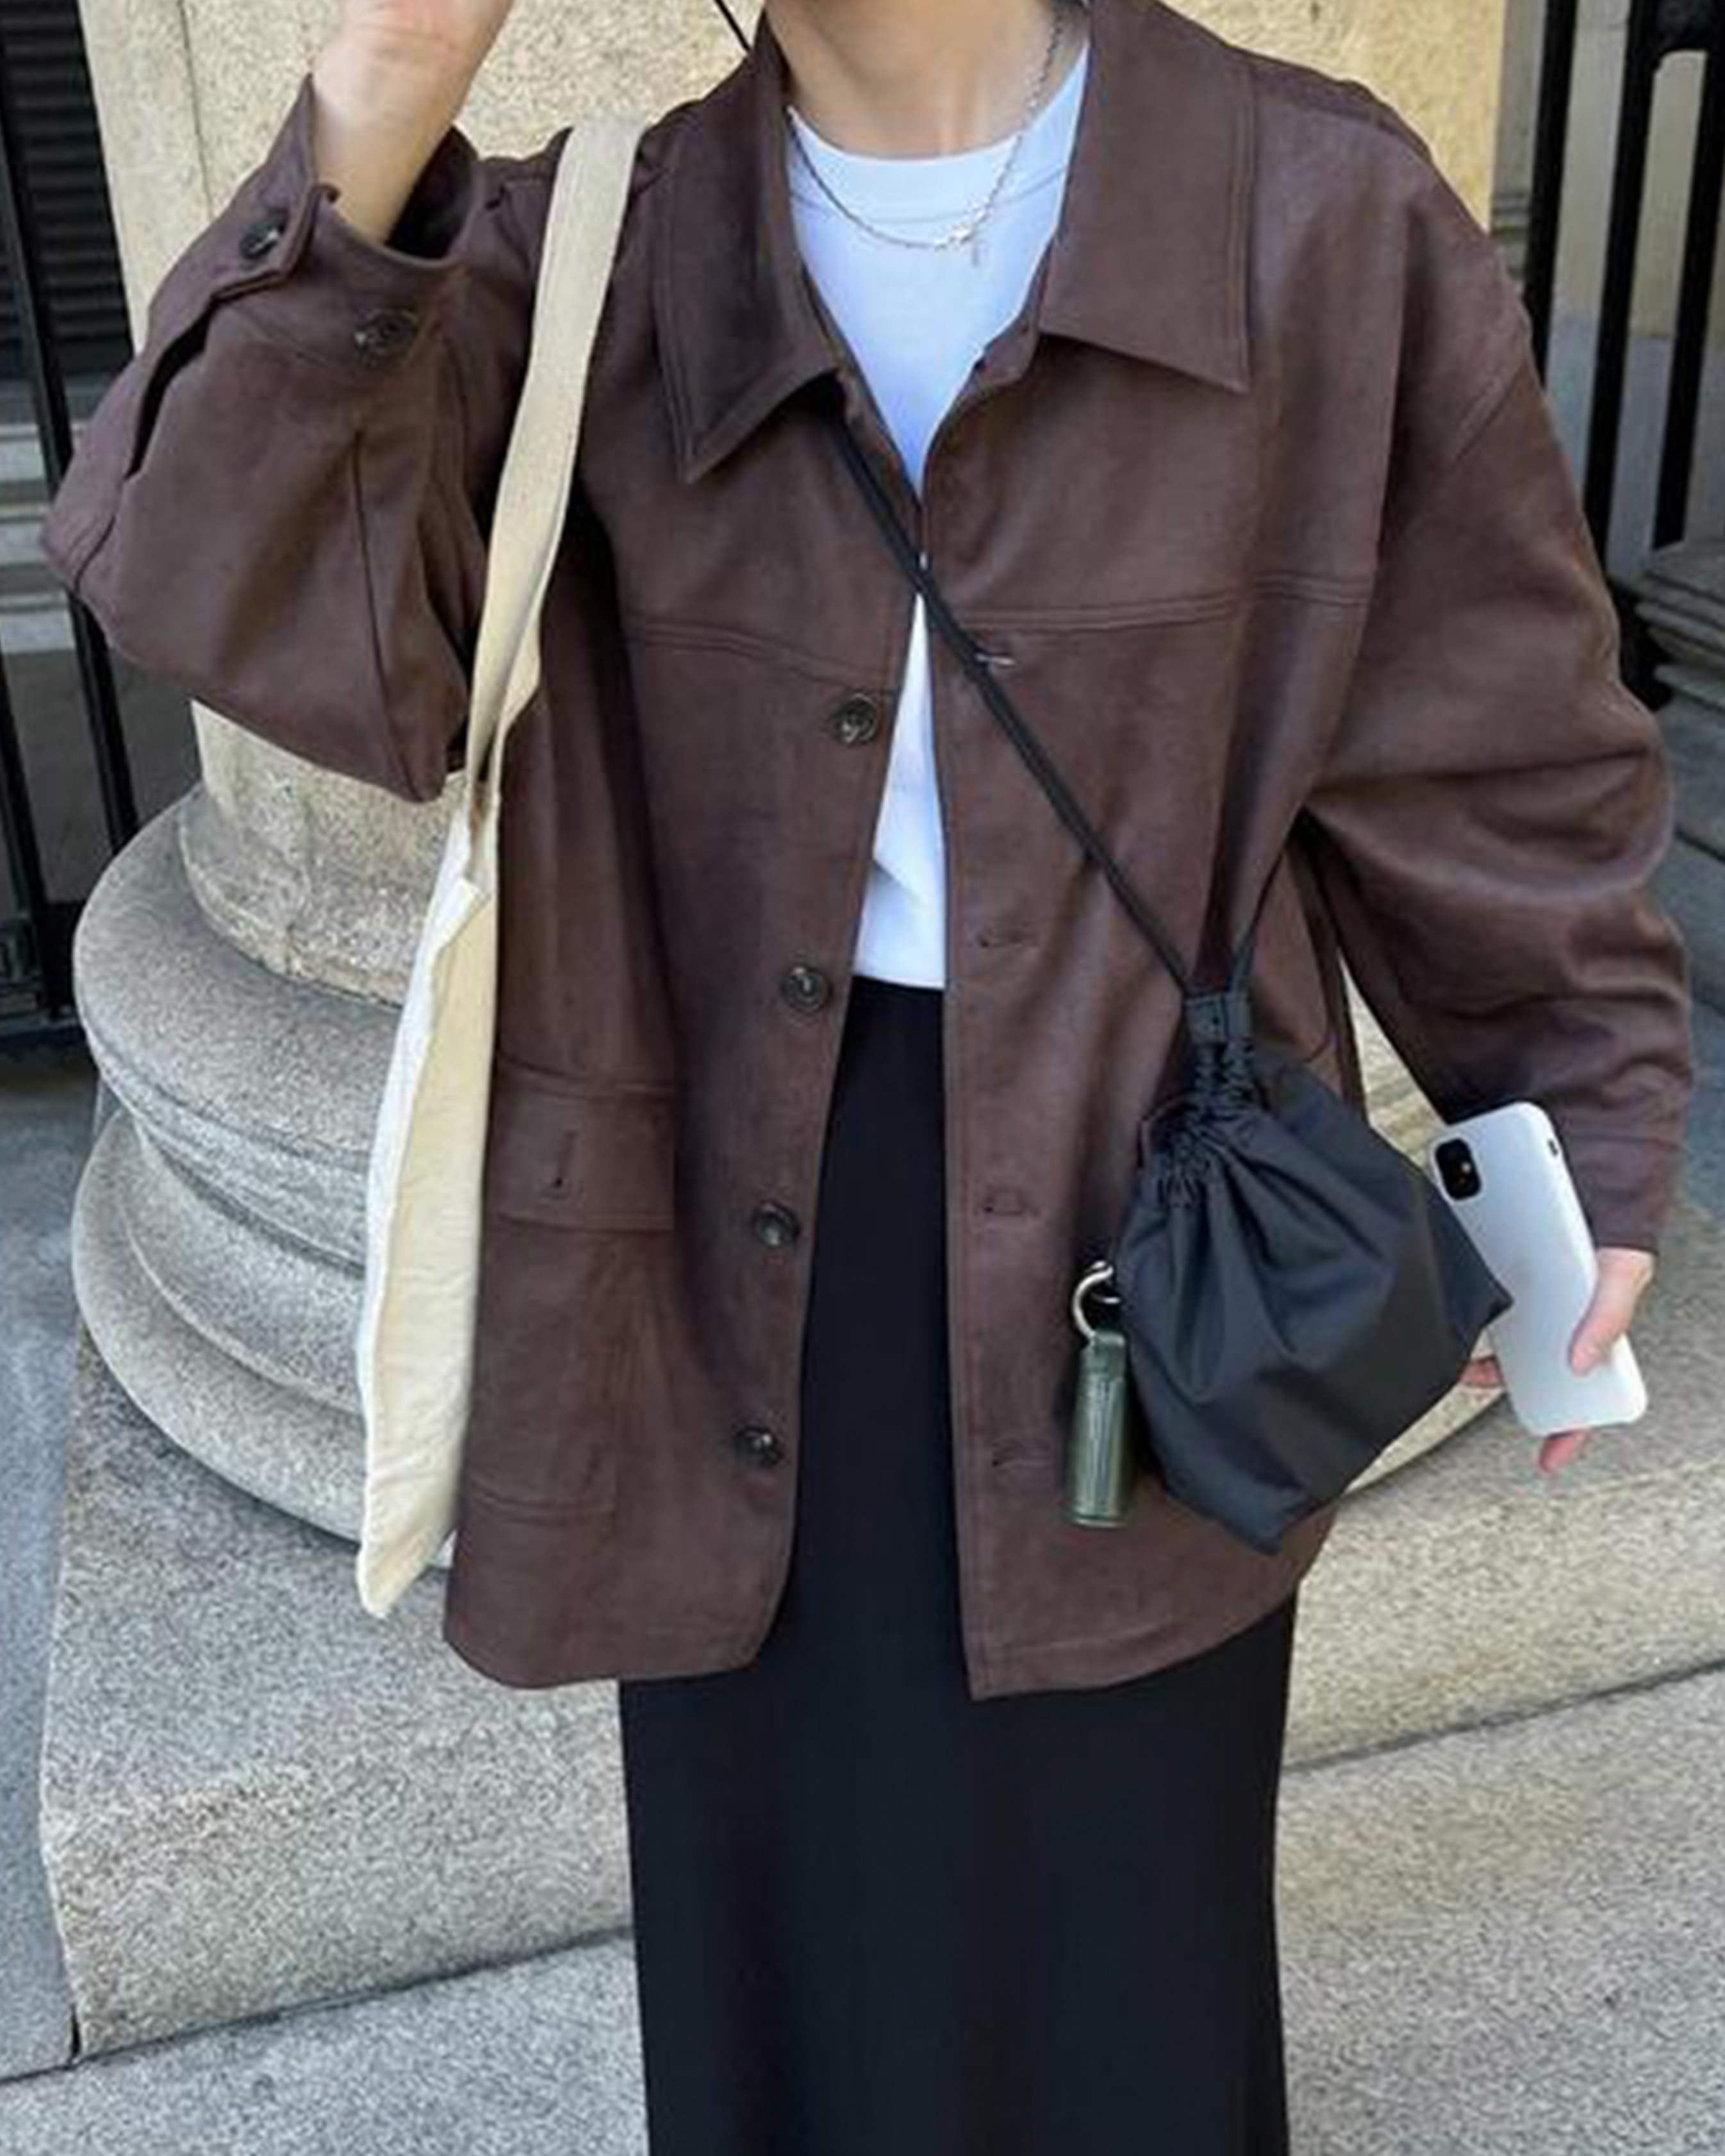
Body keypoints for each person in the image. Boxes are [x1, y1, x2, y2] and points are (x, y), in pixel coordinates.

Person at [37, 0, 1694, 2148]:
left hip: (1142, 1223)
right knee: (782, 1909)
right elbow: (199, 573)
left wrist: (1575, 1121)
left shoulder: (1308, 205)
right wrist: (385, 79)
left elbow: (1483, 734)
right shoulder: (602, 248)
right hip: (717, 1240)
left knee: (1124, 1907)